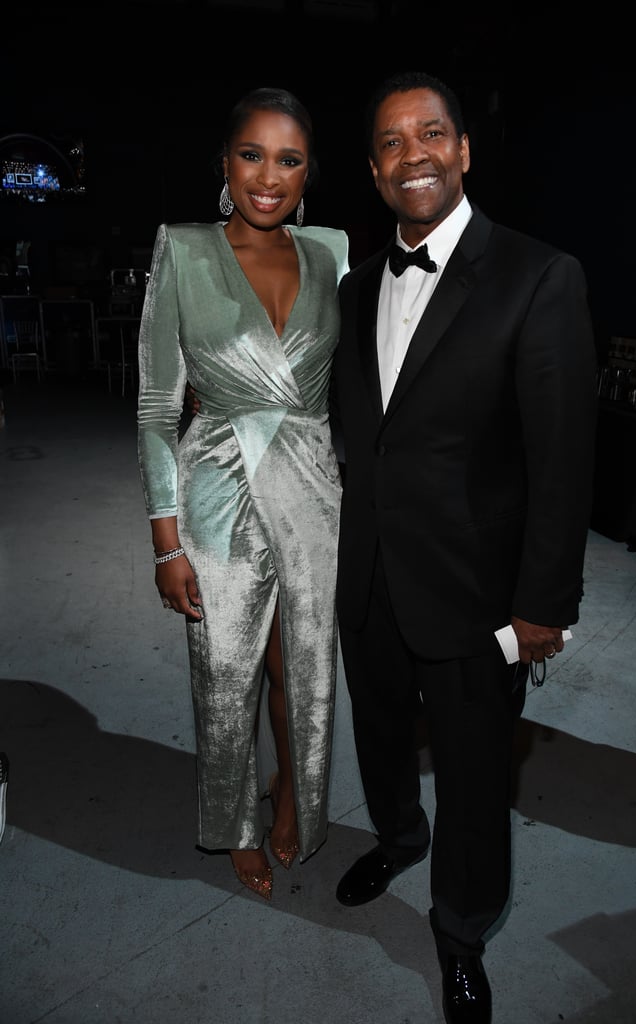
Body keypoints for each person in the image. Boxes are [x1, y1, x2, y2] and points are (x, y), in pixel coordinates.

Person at [330, 70, 597, 1023]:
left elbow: (562, 461)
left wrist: (543, 607)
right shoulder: (356, 285)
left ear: (464, 150)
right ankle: (397, 835)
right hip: (367, 577)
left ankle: (460, 930)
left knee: (479, 777)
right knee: (379, 735)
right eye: (393, 143)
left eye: (431, 134)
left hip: (480, 592)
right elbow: (358, 433)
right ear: (372, 169)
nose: (415, 156)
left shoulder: (537, 274)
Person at [137, 87, 349, 902]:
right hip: (215, 493)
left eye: (289, 159)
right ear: (224, 164)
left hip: (312, 490)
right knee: (227, 674)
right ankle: (235, 822)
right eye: (251, 155)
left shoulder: (329, 250)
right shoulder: (184, 250)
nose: (269, 175)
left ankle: (295, 792)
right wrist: (165, 541)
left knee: (304, 667)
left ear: (308, 173)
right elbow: (158, 407)